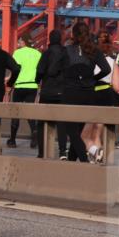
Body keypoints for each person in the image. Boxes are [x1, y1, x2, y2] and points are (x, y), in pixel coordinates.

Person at [61, 22, 110, 162]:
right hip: (88, 93)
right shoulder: (94, 50)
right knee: (78, 131)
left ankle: (84, 161)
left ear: (73, 34)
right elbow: (106, 69)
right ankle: (71, 163)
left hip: (70, 92)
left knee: (72, 131)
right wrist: (93, 79)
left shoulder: (67, 50)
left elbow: (61, 70)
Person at [83, 31, 119, 163]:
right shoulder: (112, 61)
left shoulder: (90, 59)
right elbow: (117, 86)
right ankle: (98, 157)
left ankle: (93, 154)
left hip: (91, 95)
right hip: (106, 96)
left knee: (85, 134)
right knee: (97, 133)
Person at [35, 29, 69, 159]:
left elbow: (39, 71)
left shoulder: (46, 53)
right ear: (60, 39)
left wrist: (37, 81)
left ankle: (42, 151)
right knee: (61, 123)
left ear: (50, 39)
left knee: (42, 122)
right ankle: (62, 151)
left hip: (47, 91)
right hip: (62, 92)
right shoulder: (65, 53)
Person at [7, 33, 41, 149]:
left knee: (16, 112)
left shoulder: (18, 53)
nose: (18, 43)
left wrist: (9, 82)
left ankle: (12, 140)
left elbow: (15, 69)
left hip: (20, 85)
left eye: (20, 41)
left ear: (24, 41)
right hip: (32, 86)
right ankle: (34, 132)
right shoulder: (37, 53)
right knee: (30, 111)